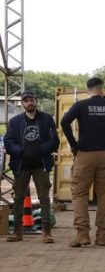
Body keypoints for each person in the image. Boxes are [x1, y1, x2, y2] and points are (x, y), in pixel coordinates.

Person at [60, 77, 105, 248]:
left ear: (88, 90)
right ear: (102, 90)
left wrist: (73, 145)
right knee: (104, 195)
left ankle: (82, 234)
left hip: (84, 154)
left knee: (79, 194)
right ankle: (102, 237)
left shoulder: (81, 105)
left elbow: (64, 122)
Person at [4, 90, 60, 243]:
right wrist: (20, 151)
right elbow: (8, 142)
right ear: (22, 103)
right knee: (19, 198)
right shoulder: (15, 122)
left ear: (36, 101)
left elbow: (55, 141)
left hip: (40, 164)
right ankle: (17, 232)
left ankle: (47, 232)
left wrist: (40, 150)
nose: (29, 102)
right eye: (26, 100)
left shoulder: (47, 119)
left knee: (44, 197)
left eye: (31, 100)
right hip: (21, 165)